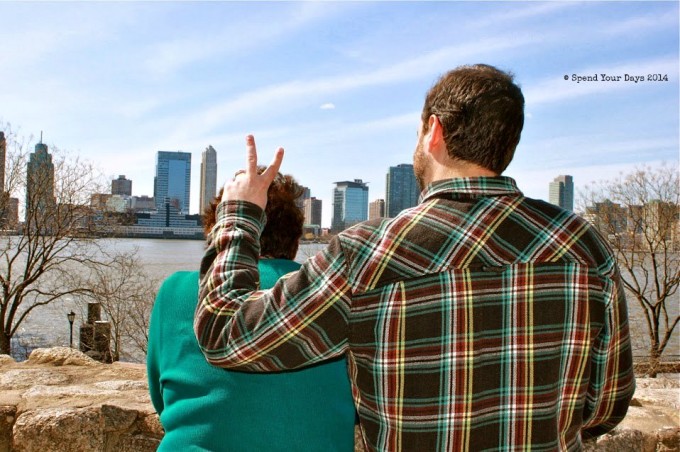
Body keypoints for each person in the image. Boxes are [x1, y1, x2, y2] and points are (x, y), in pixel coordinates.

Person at [195, 64, 635, 451]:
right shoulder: (583, 247)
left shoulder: (367, 252)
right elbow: (604, 405)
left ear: (434, 131)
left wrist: (240, 213)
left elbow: (225, 333)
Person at [147, 171, 356, 451]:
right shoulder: (334, 293)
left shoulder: (175, 291)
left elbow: (162, 398)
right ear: (294, 240)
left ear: (218, 236)